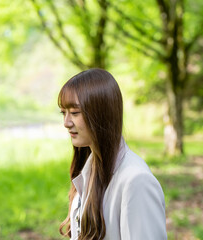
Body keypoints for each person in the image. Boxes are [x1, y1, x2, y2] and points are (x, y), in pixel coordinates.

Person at [58, 68, 167, 240]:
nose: (66, 122)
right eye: (63, 113)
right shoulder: (90, 168)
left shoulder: (136, 181)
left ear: (101, 114)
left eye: (75, 113)